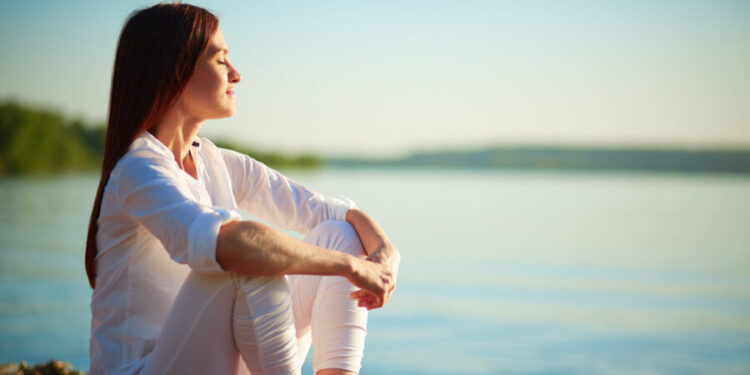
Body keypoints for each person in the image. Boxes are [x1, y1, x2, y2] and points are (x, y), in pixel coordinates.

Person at [84, 4, 400, 375]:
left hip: (213, 361)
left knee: (337, 236)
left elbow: (331, 213)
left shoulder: (217, 162)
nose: (237, 74)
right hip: (145, 369)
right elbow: (231, 245)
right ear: (174, 72)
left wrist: (383, 252)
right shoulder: (139, 168)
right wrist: (351, 268)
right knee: (245, 260)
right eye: (220, 61)